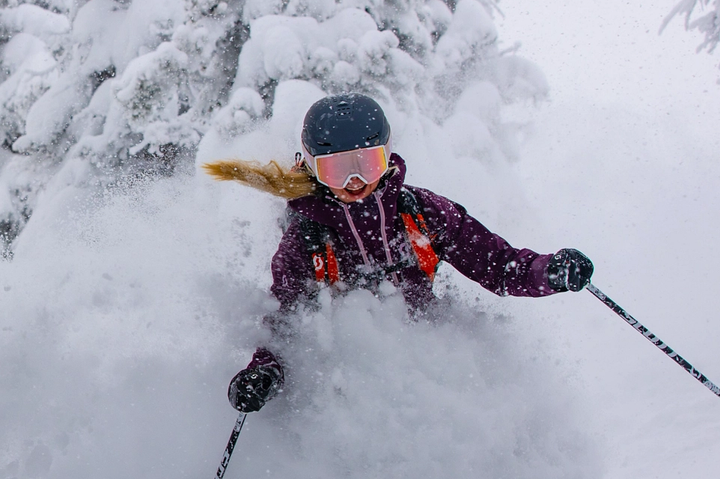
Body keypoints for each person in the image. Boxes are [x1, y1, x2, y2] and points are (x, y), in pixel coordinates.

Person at [204, 94, 594, 414]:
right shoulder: (306, 242)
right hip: (349, 384)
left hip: (429, 372)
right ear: (310, 168)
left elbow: (498, 265)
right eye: (337, 170)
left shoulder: (420, 214)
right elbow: (286, 321)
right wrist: (265, 371)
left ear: (387, 157)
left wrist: (549, 271)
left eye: (367, 164)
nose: (355, 182)